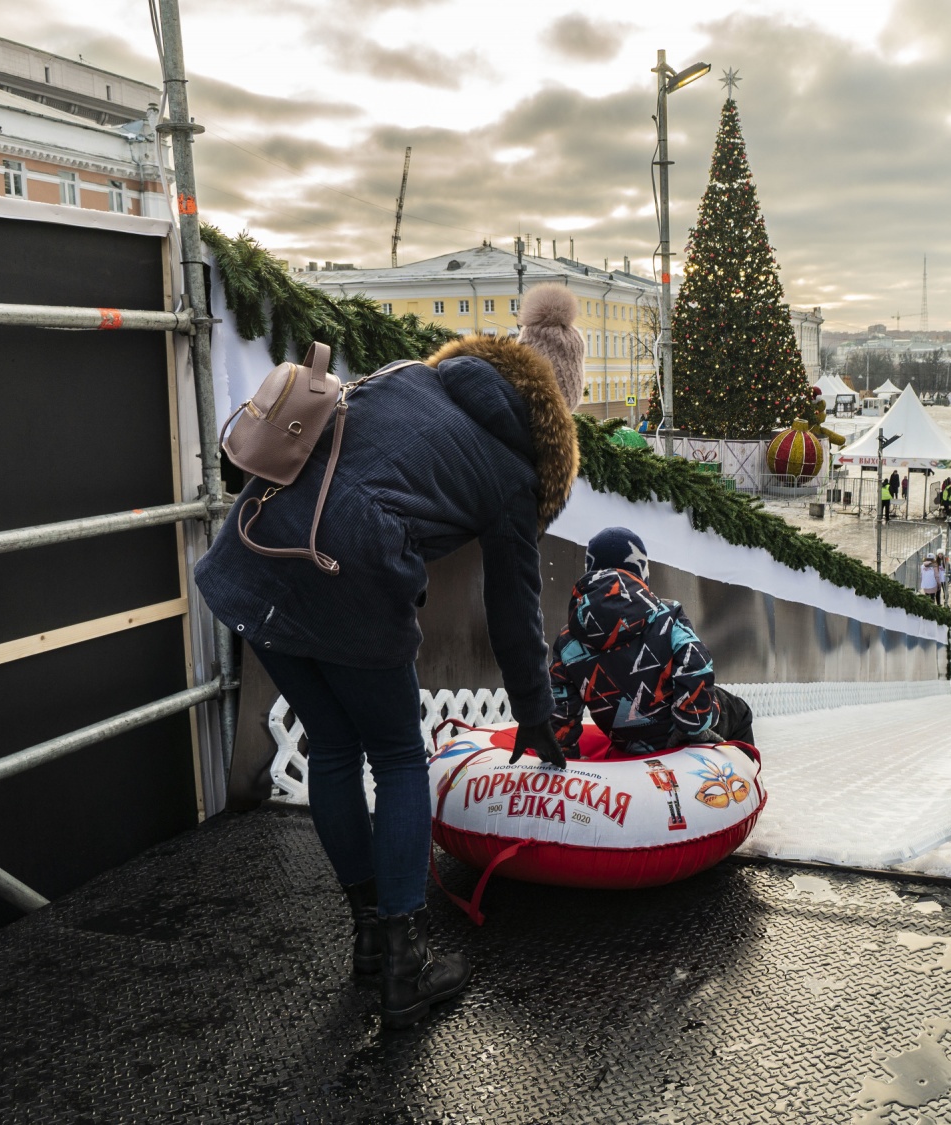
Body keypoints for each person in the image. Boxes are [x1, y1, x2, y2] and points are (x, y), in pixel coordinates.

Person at [193, 286, 583, 1030]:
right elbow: (513, 612)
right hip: (347, 574)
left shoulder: (414, 374)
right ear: (556, 408)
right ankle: (404, 965)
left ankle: (371, 939)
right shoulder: (515, 475)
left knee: (335, 746)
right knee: (400, 756)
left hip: (255, 556)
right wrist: (535, 715)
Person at [549, 528, 755, 758]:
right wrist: (692, 727)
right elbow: (696, 665)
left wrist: (563, 751)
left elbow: (560, 706)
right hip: (676, 734)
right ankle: (743, 781)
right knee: (740, 711)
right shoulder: (667, 614)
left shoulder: (568, 639)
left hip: (626, 740)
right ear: (641, 571)